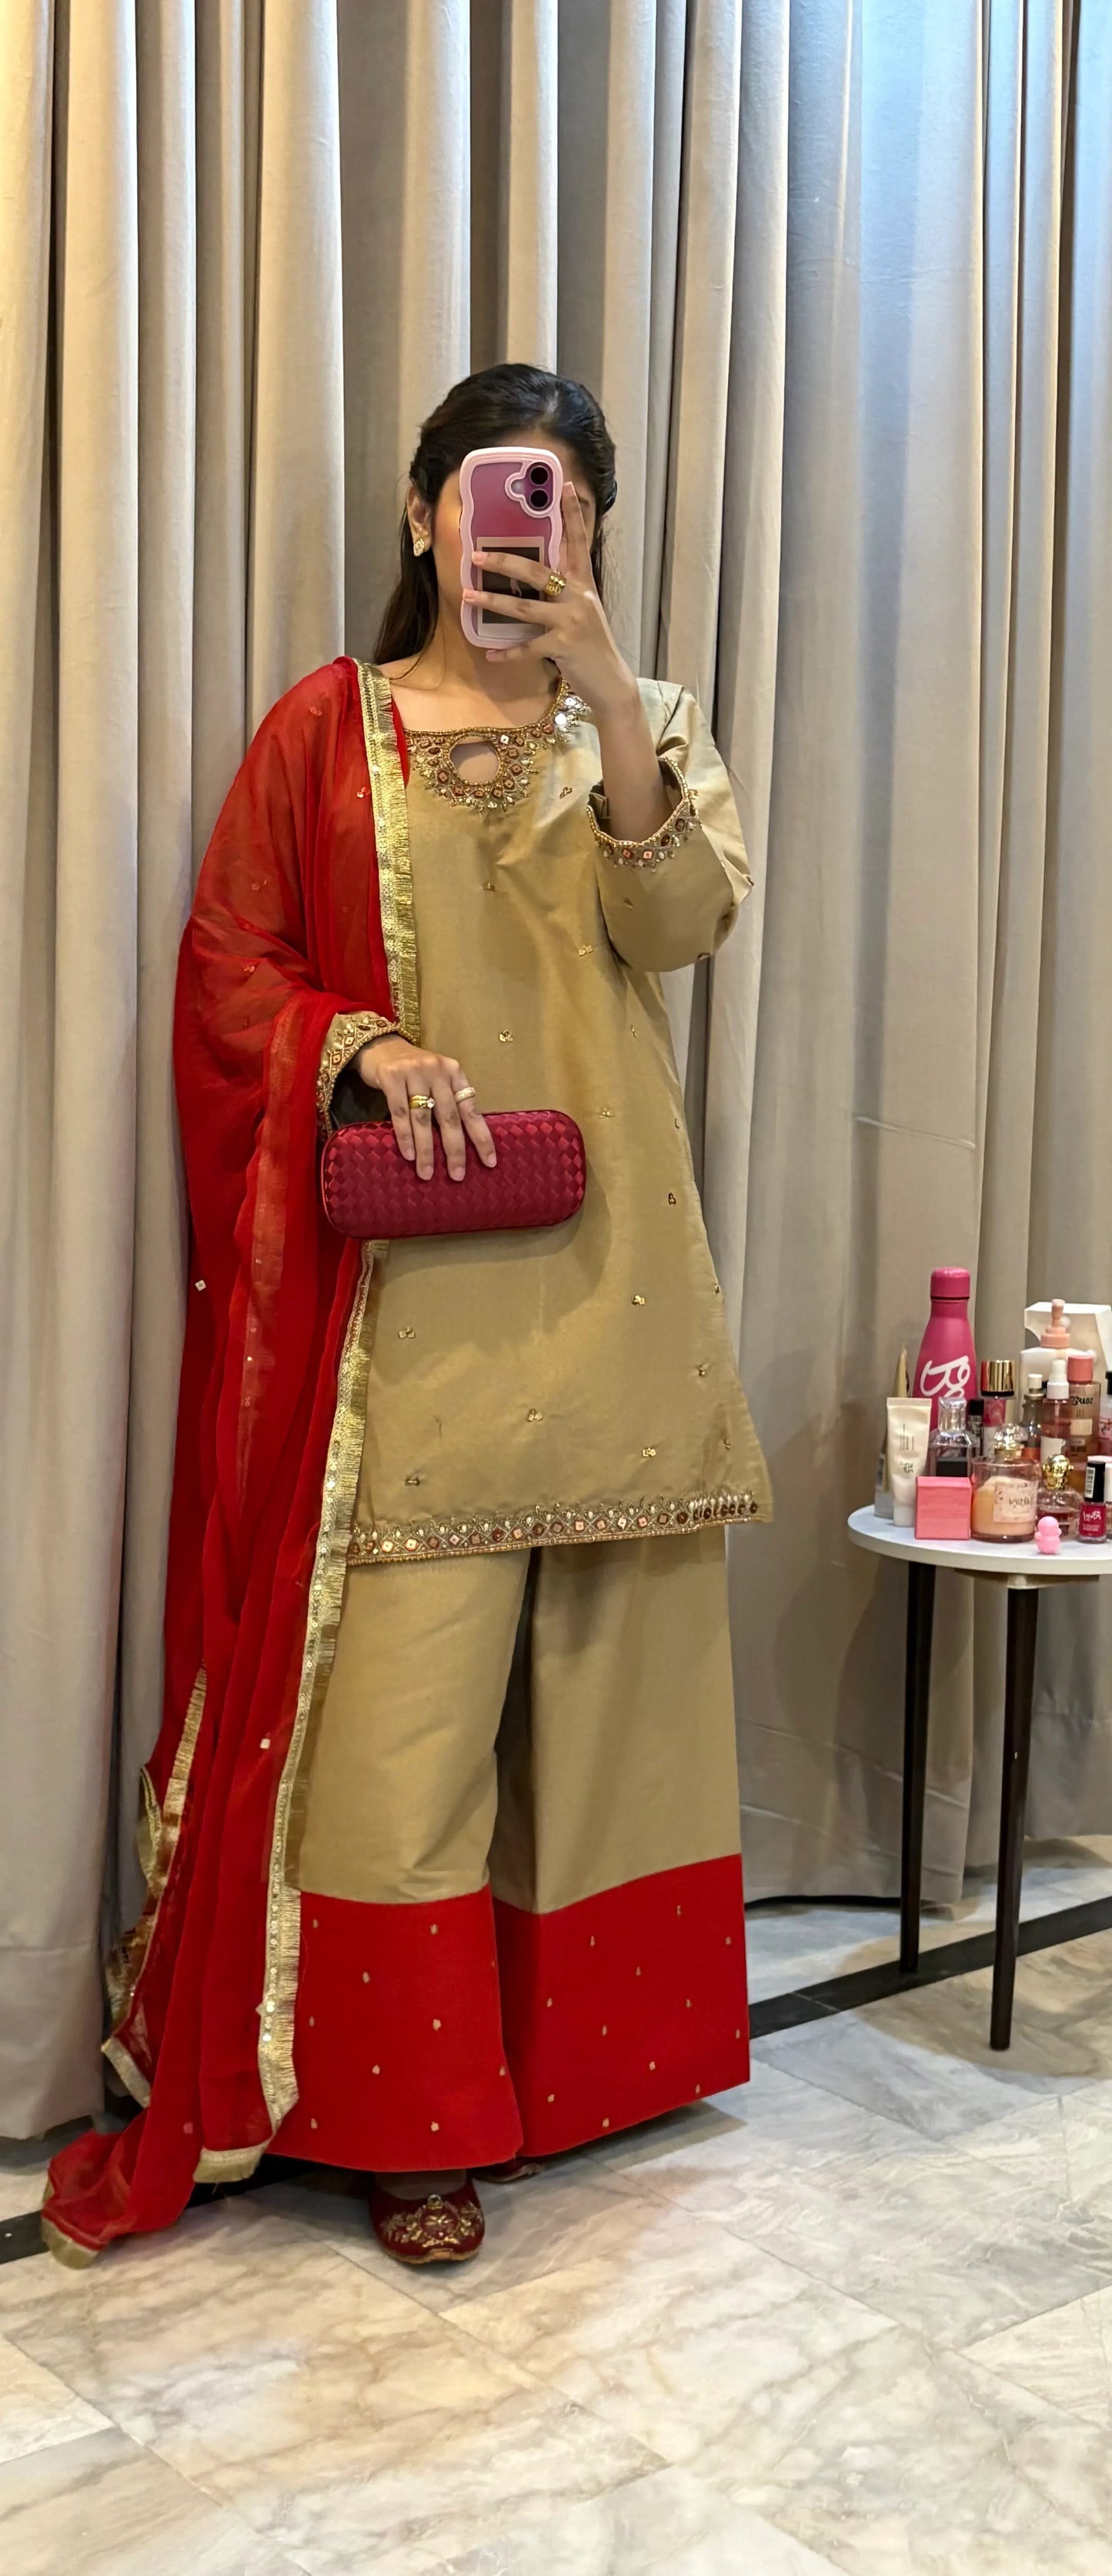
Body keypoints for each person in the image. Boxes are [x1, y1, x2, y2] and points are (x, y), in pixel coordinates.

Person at [43, 363, 770, 2270]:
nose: (513, 534)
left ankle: (599, 2079)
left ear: (593, 541)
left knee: (613, 1713)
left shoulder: (652, 728)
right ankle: (408, 2117)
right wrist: (357, 1044)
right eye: (483, 494)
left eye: (558, 508)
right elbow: (231, 969)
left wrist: (609, 689)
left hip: (612, 1288)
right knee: (408, 1732)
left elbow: (678, 924)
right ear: (425, 519)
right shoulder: (328, 731)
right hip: (410, 1313)